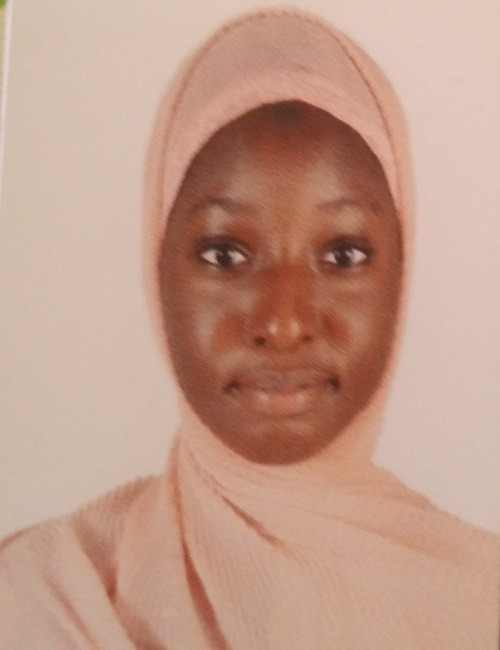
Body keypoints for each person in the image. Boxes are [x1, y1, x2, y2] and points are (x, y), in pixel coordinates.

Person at [1, 8, 498, 649]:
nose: (283, 323)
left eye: (343, 254)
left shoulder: (480, 607)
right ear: (156, 265)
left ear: (403, 273)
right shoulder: (46, 598)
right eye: (225, 254)